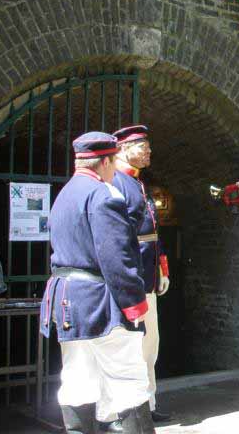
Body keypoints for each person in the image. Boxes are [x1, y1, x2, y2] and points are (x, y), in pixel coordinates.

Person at [39, 132, 153, 433]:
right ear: (104, 162)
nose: (115, 170)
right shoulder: (103, 195)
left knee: (78, 379)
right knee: (129, 381)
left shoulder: (64, 195)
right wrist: (134, 304)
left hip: (68, 301)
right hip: (99, 301)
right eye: (113, 162)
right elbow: (116, 256)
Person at [94, 125, 171, 432]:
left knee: (149, 344)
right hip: (132, 276)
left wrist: (162, 266)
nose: (148, 150)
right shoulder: (117, 182)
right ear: (124, 149)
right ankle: (118, 410)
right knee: (126, 347)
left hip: (147, 274)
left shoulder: (138, 183)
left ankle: (147, 404)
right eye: (142, 145)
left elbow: (152, 232)